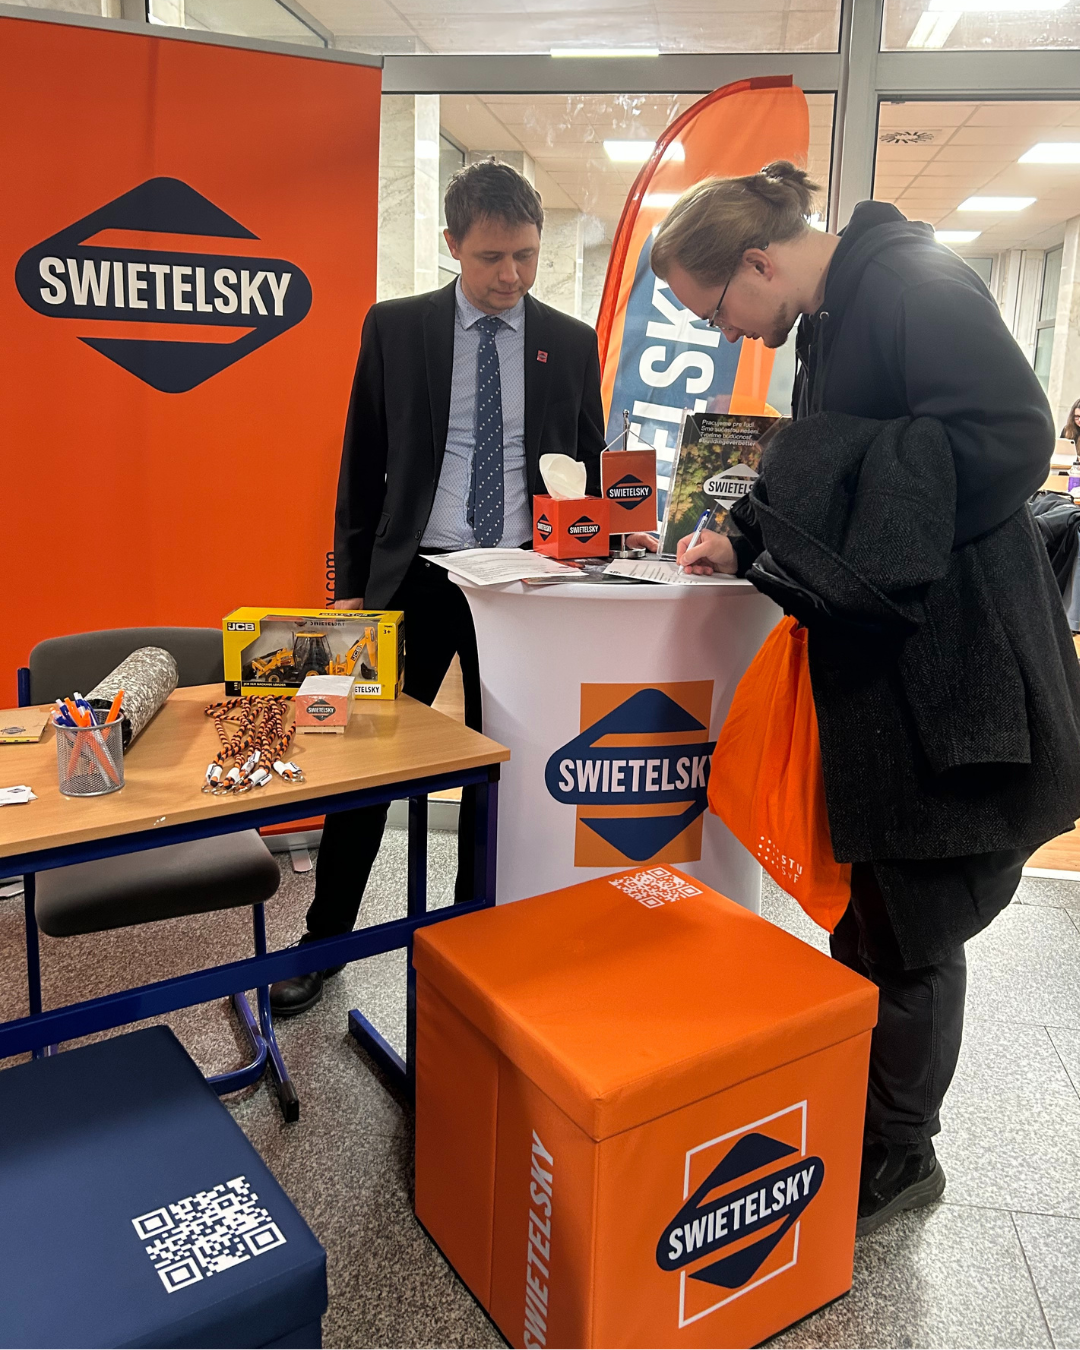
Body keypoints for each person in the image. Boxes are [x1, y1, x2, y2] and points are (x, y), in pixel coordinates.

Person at [647, 162, 1080, 1235]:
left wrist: (870, 531)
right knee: (878, 900)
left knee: (916, 914)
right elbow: (822, 471)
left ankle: (903, 1152)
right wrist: (744, 533)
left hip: (956, 654)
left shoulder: (914, 286)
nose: (727, 334)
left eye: (717, 310)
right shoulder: (830, 318)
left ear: (758, 262)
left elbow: (1011, 436)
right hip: (894, 653)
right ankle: (876, 1116)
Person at [271, 159, 605, 1016]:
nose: (511, 276)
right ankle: (325, 939)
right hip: (412, 576)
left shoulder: (570, 342)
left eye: (526, 255)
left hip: (523, 587)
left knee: (506, 763)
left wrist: (604, 545)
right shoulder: (395, 327)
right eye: (492, 256)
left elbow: (592, 468)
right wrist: (349, 587)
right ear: (452, 243)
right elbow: (362, 461)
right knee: (364, 764)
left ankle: (477, 930)